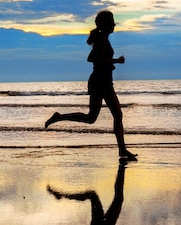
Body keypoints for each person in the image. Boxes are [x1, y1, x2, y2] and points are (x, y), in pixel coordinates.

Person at [45, 10, 137, 160]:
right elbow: (95, 59)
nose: (114, 24)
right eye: (112, 22)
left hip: (105, 81)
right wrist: (116, 61)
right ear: (106, 24)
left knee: (117, 114)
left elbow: (93, 58)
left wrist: (109, 64)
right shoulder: (101, 39)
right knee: (91, 118)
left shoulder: (104, 38)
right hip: (99, 82)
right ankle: (59, 117)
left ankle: (122, 150)